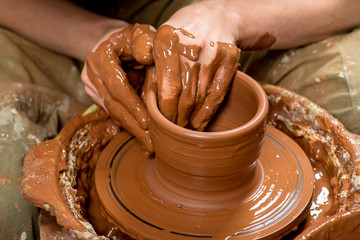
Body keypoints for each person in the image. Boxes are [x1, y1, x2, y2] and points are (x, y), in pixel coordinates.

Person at [0, 0, 359, 239]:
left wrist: (229, 15)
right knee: (7, 201)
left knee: (350, 96)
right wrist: (96, 34)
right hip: (52, 21)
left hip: (259, 8)